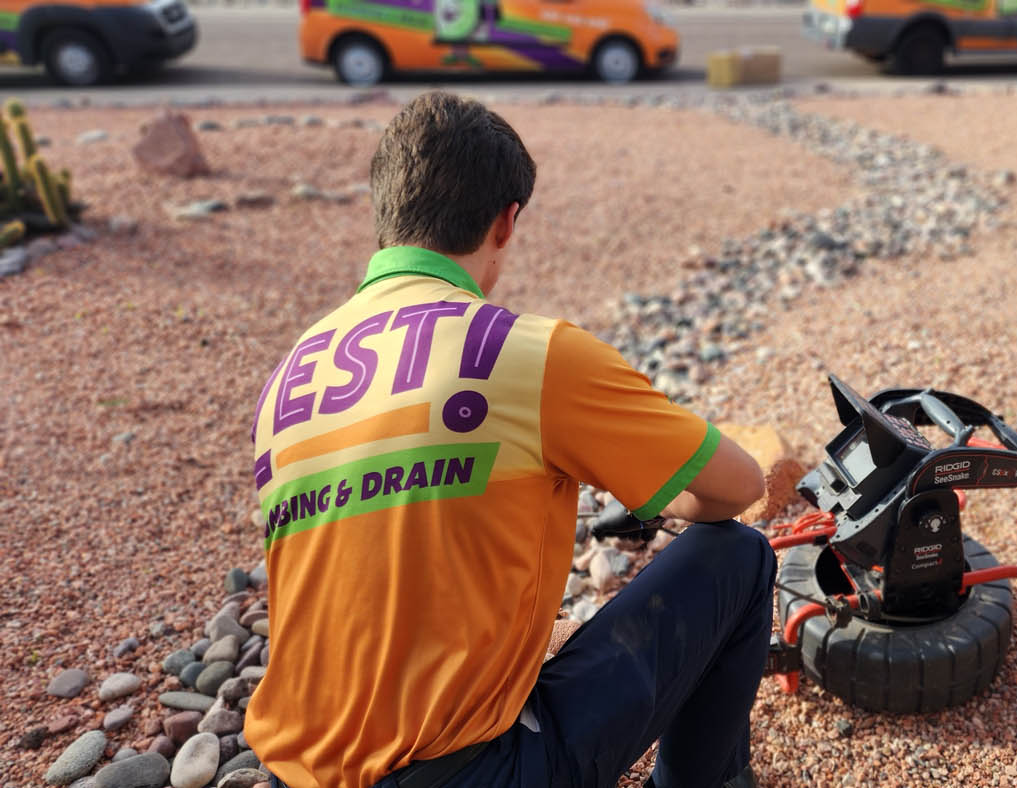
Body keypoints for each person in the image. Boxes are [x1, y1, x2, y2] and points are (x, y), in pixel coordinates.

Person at [245, 90, 775, 788]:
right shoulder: (527, 352)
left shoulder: (289, 376)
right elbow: (740, 488)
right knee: (735, 555)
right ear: (506, 220)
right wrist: (661, 499)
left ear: (385, 215)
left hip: (294, 771)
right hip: (476, 774)